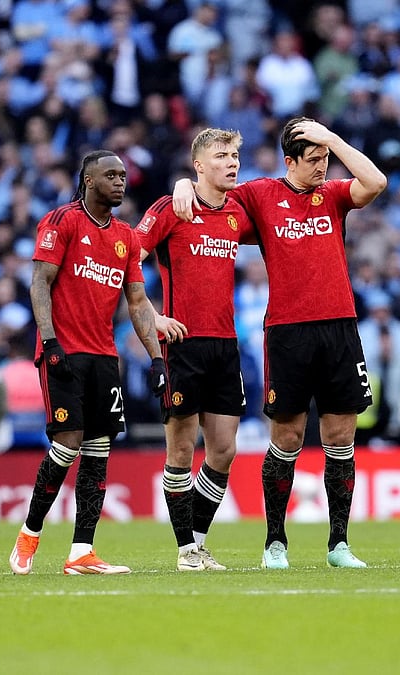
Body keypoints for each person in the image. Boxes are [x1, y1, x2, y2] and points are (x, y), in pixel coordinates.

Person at [173, 117, 387, 569]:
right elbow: (211, 195)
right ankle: (275, 542)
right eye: (313, 160)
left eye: (325, 159)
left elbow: (376, 181)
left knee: (340, 436)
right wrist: (180, 184)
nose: (322, 168)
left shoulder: (332, 196)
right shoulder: (260, 195)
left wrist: (332, 138)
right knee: (286, 437)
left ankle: (339, 545)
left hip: (340, 327)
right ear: (289, 161)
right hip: (288, 331)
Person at [9, 150, 167, 576]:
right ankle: (30, 533)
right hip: (64, 351)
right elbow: (39, 283)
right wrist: (49, 341)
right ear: (88, 180)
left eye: (123, 174)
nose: (120, 181)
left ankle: (81, 552)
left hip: (103, 357)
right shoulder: (61, 221)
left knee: (98, 450)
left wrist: (156, 358)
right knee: (67, 443)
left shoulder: (127, 238)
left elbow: (136, 301)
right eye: (111, 175)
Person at [136, 128, 251, 571]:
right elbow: (126, 259)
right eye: (222, 155)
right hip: (182, 345)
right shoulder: (172, 207)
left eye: (236, 154)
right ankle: (185, 551)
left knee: (223, 450)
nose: (233, 162)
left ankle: (198, 542)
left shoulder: (238, 213)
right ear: (199, 165)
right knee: (181, 452)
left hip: (225, 345)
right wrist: (152, 315)